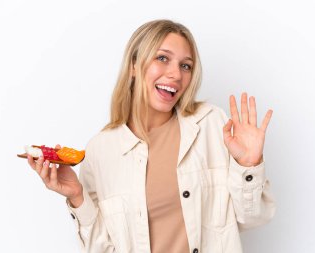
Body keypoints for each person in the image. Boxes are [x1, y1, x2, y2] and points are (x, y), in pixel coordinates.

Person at [27, 19, 275, 253]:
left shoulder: (212, 124)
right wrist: (77, 197)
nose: (176, 74)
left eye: (185, 65)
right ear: (134, 65)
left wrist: (249, 165)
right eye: (162, 58)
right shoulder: (100, 151)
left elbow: (254, 217)